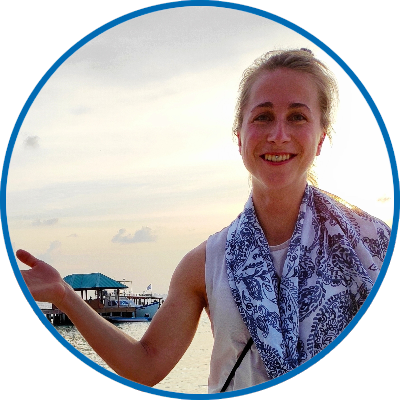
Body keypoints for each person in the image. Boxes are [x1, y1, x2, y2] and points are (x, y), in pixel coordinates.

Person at [17, 48, 391, 393]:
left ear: (321, 138)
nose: (279, 135)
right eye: (262, 117)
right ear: (239, 137)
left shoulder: (374, 243)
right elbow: (145, 366)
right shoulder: (206, 263)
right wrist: (64, 296)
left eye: (297, 117)